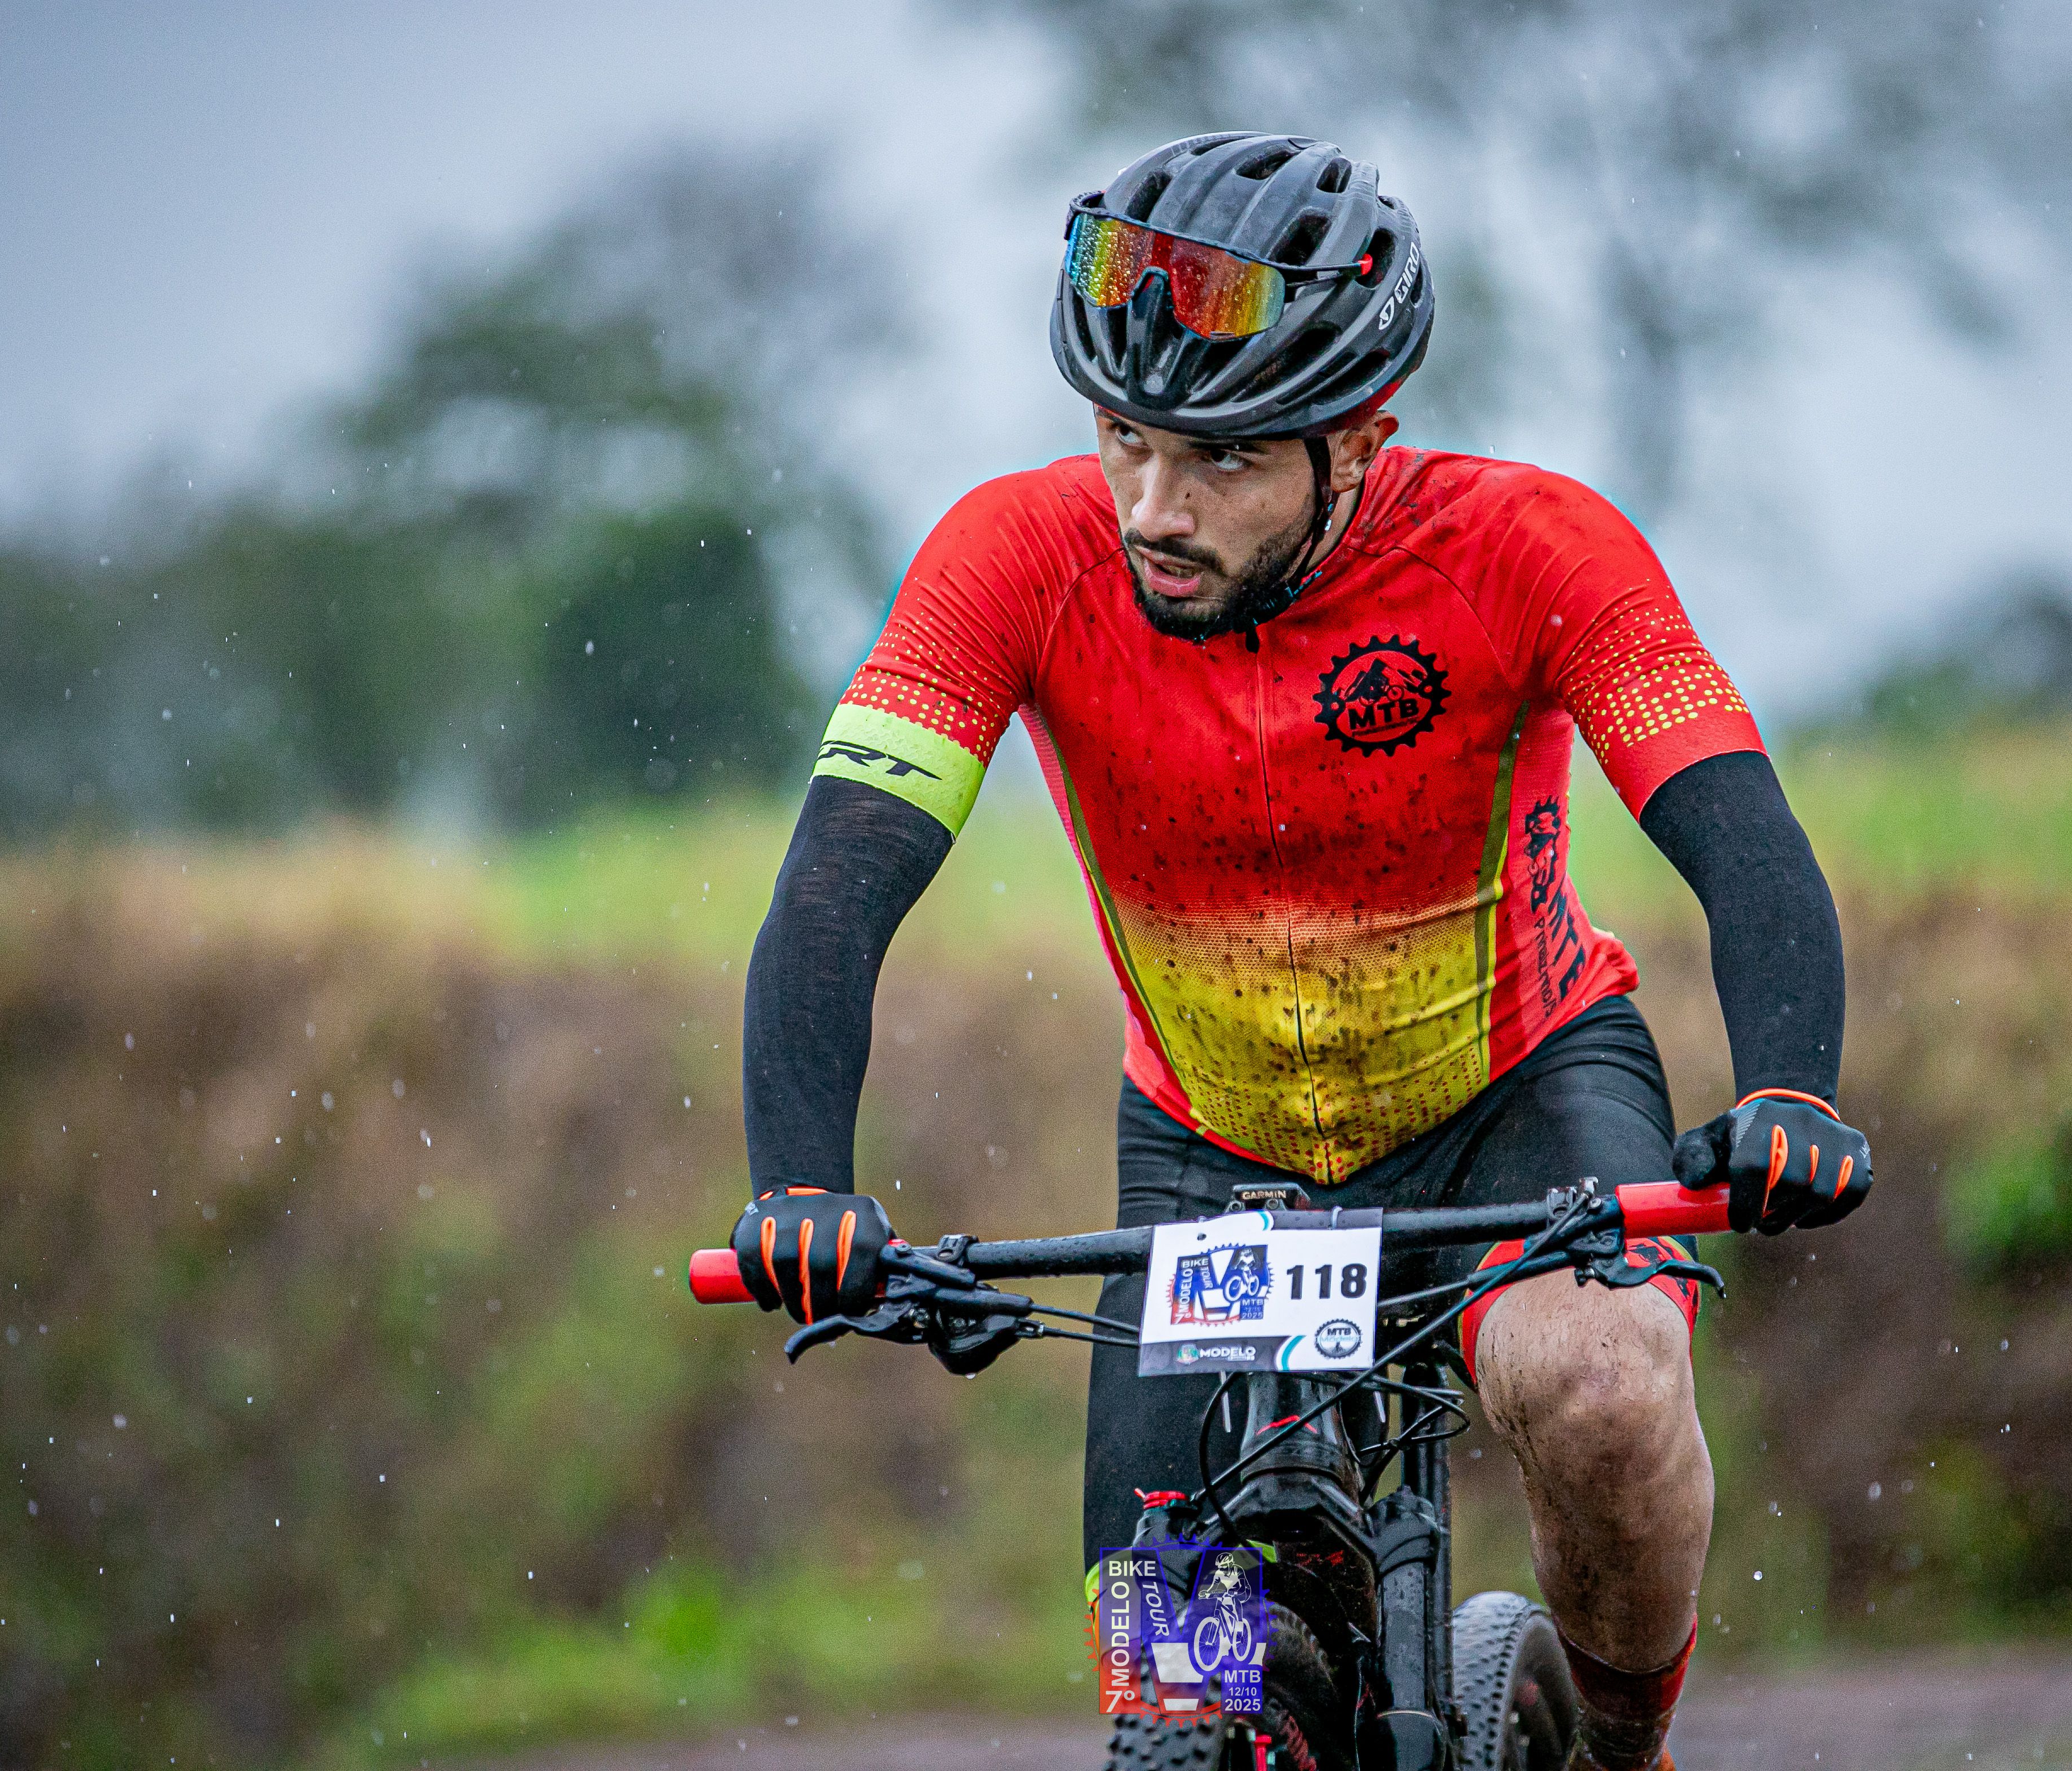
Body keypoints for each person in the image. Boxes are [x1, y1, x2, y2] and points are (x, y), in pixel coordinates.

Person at [733, 132, 1873, 1771]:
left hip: (1515, 1092)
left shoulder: (1529, 545)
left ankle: (1622, 1752)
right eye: (1124, 438)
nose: (1154, 508)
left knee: (1602, 1386)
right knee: (1172, 1678)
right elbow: (843, 873)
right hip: (1214, 1149)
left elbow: (1741, 834)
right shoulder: (1013, 556)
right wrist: (799, 1183)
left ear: (1358, 439)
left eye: (1223, 459)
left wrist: (1792, 1091)